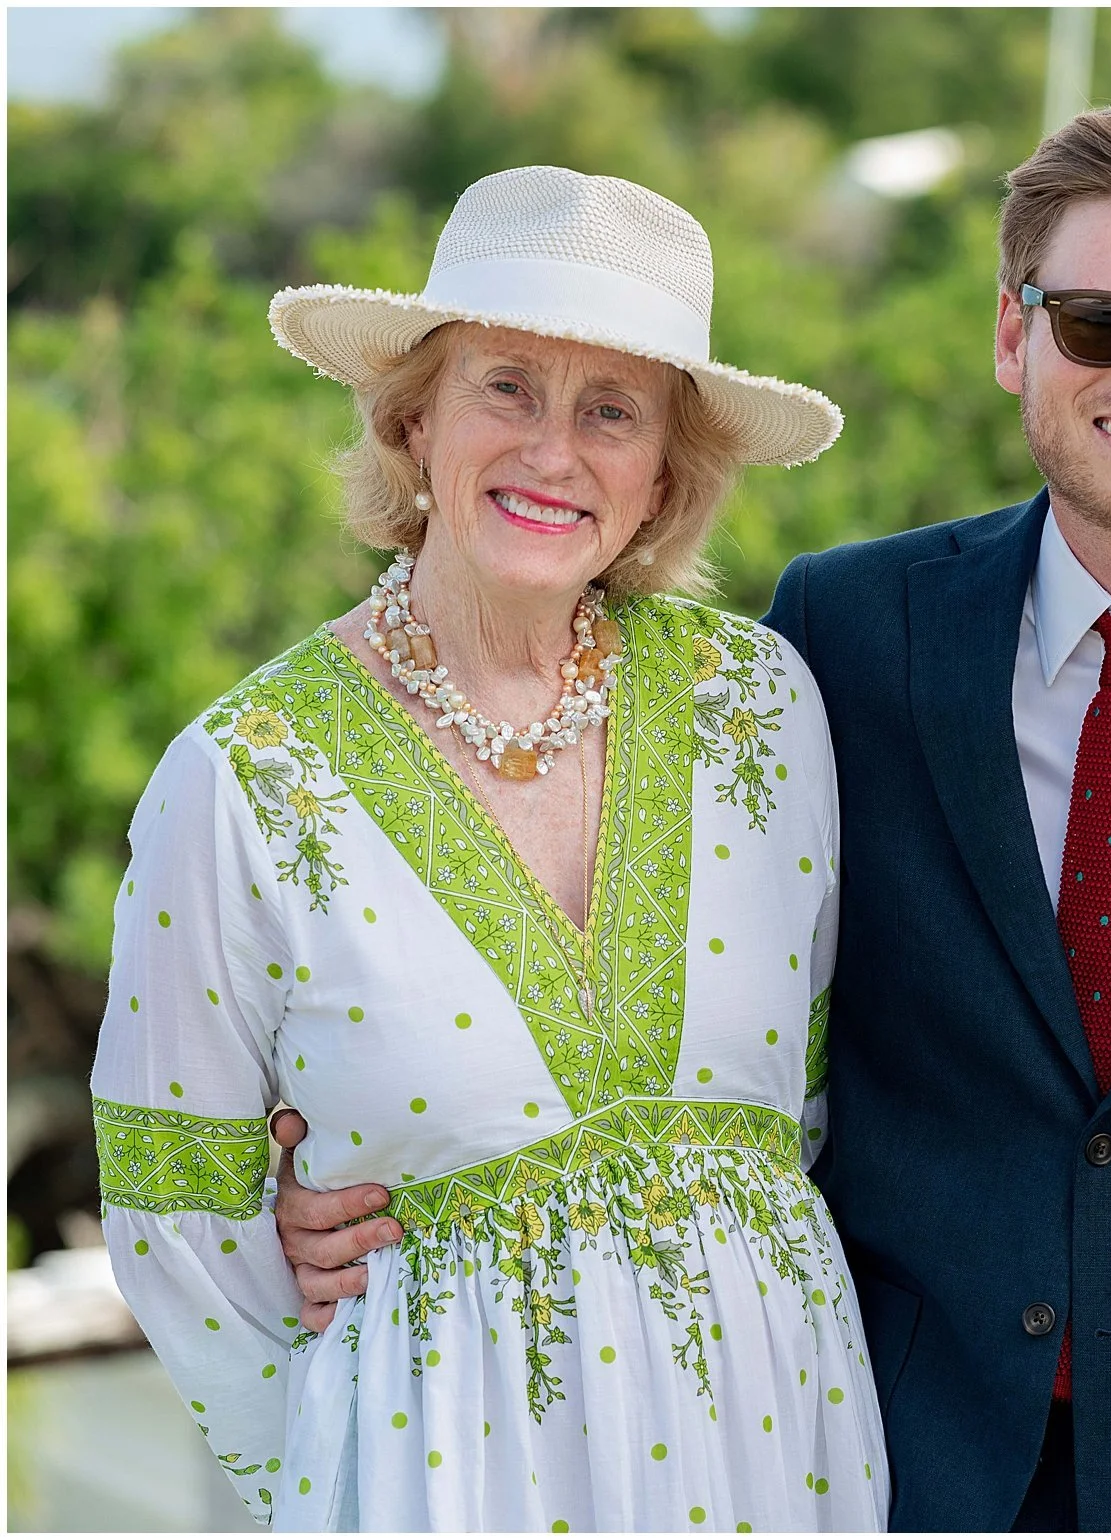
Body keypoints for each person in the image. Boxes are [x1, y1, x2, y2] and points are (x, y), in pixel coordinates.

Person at [281, 101, 1111, 1530]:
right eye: (1097, 320)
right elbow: (603, 922)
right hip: (895, 1468)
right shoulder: (836, 636)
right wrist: (322, 1163)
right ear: (1015, 338)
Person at [93, 165, 889, 1531]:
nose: (553, 452)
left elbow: (808, 1111)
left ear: (664, 473)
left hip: (779, 1464)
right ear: (414, 418)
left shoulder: (762, 705)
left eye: (612, 411)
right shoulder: (239, 779)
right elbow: (178, 1222)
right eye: (506, 386)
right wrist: (349, 1477)